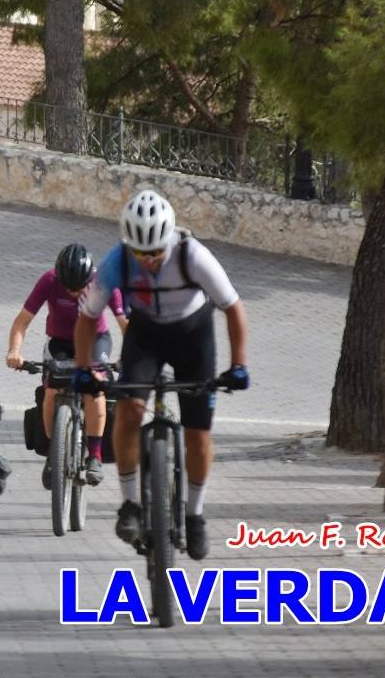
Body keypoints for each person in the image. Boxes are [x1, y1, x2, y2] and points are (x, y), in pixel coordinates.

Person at [73, 190, 249, 561]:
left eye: (156, 252)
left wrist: (238, 366)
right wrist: (83, 368)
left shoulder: (192, 255)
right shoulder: (118, 260)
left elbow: (233, 307)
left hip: (193, 336)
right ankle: (131, 505)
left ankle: (195, 514)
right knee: (129, 411)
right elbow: (88, 317)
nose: (149, 260)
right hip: (146, 336)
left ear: (168, 237)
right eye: (141, 253)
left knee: (199, 433)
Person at [5, 243, 126, 488]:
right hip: (59, 342)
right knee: (51, 390)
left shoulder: (105, 282)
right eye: (68, 287)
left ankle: (95, 456)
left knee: (95, 387)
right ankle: (54, 453)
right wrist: (15, 351)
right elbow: (22, 321)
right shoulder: (49, 281)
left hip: (96, 340)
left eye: (79, 287)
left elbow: (125, 323)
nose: (73, 293)